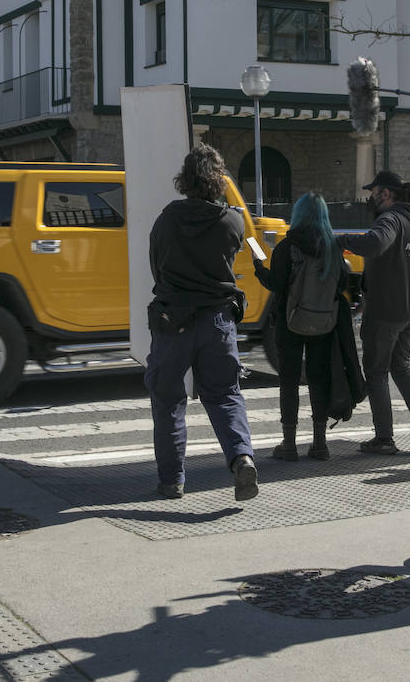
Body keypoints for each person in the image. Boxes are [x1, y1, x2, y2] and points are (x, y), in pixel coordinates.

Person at [144, 144, 258, 502]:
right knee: (224, 395)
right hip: (217, 321)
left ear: (186, 179)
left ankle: (172, 481)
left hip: (173, 320)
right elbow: (234, 251)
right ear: (219, 179)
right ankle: (241, 459)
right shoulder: (232, 221)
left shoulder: (166, 220)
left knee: (168, 400)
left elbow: (156, 266)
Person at [252, 192, 360, 462]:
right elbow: (342, 285)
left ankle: (289, 444)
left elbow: (277, 284)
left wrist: (258, 269)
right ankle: (320, 444)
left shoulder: (287, 248)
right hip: (325, 323)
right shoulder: (333, 248)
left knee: (289, 381)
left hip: (290, 322)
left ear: (298, 215)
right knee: (318, 379)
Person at [337, 169, 410, 455]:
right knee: (401, 365)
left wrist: (342, 241)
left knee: (377, 371)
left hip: (386, 309)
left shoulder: (391, 219)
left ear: (386, 193)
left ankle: (384, 438)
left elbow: (375, 243)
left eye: (374, 192)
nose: (370, 197)